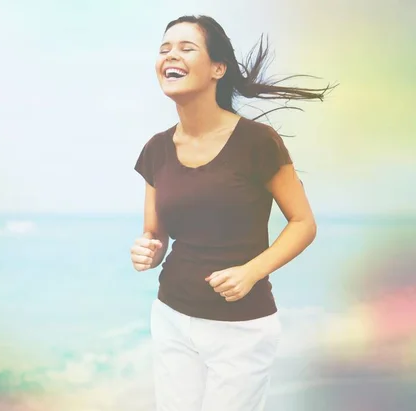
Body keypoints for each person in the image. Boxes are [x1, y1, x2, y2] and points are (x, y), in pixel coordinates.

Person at [130, 15, 335, 411]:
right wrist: (148, 251)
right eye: (164, 49)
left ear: (217, 69)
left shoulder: (257, 142)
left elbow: (303, 223)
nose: (171, 55)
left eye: (187, 48)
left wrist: (251, 271)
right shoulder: (156, 149)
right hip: (171, 315)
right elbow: (154, 234)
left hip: (241, 328)